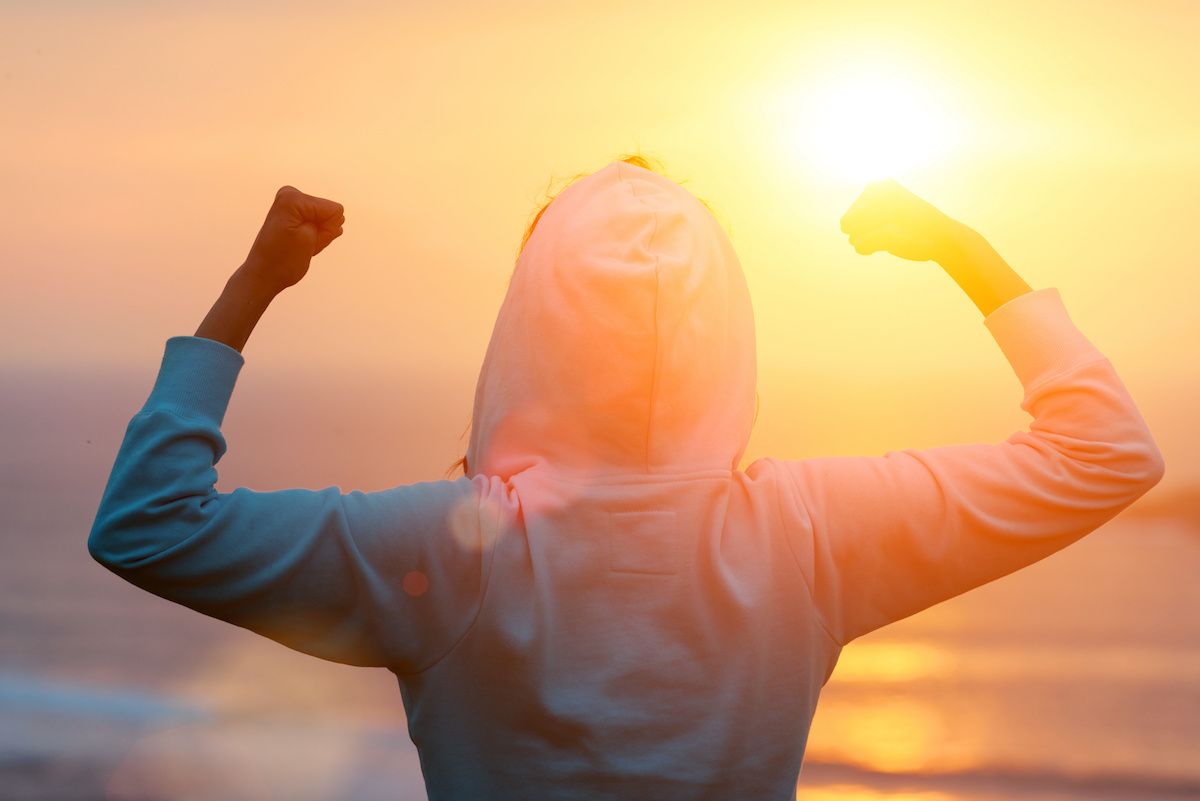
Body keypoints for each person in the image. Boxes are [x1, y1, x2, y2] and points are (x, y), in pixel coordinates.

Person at [88, 156, 1165, 801]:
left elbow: (146, 526)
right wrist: (962, 251)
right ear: (725, 328)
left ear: (530, 329)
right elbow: (1109, 452)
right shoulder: (809, 536)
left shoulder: (447, 549)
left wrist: (253, 286)